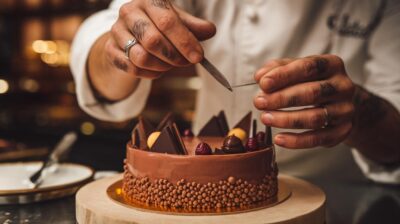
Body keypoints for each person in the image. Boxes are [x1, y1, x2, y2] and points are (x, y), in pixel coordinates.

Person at [70, 0, 400, 184]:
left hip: (342, 201)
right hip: (200, 186)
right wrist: (122, 48)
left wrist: (357, 111)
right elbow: (114, 26)